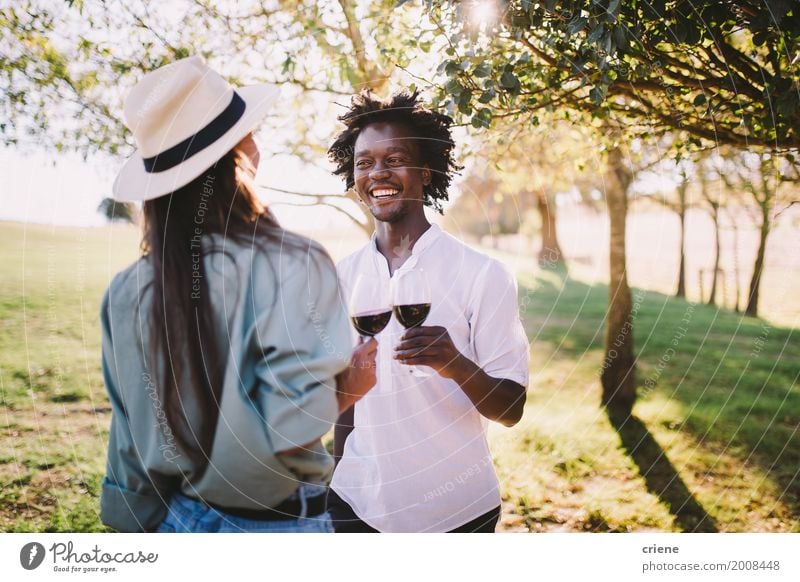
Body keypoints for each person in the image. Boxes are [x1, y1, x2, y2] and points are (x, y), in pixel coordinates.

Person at [99, 55, 377, 533]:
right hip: (276, 527)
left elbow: (127, 439)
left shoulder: (125, 289)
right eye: (249, 131)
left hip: (173, 520)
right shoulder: (296, 264)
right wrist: (352, 384)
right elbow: (291, 432)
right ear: (241, 154)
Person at [325, 91, 530, 533]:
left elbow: (511, 408)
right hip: (357, 504)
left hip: (456, 512)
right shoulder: (343, 277)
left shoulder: (483, 275)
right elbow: (347, 402)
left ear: (424, 173)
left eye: (393, 158)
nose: (378, 172)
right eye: (364, 162)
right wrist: (336, 479)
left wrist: (455, 365)